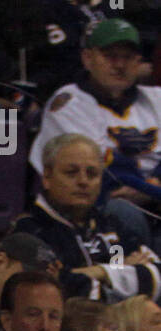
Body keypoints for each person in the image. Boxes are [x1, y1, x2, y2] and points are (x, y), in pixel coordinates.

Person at [29, 18, 161, 240]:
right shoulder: (68, 103)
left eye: (127, 57)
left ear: (138, 62)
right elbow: (102, 174)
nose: (119, 65)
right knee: (122, 212)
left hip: (152, 203)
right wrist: (154, 186)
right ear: (87, 58)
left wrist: (151, 188)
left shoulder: (156, 98)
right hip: (96, 210)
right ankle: (128, 272)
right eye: (110, 56)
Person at [12, 133, 161, 303]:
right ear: (46, 177)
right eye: (71, 173)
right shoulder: (30, 231)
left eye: (92, 174)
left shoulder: (110, 225)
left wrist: (101, 272)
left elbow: (157, 273)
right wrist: (123, 277)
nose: (83, 181)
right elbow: (55, 289)